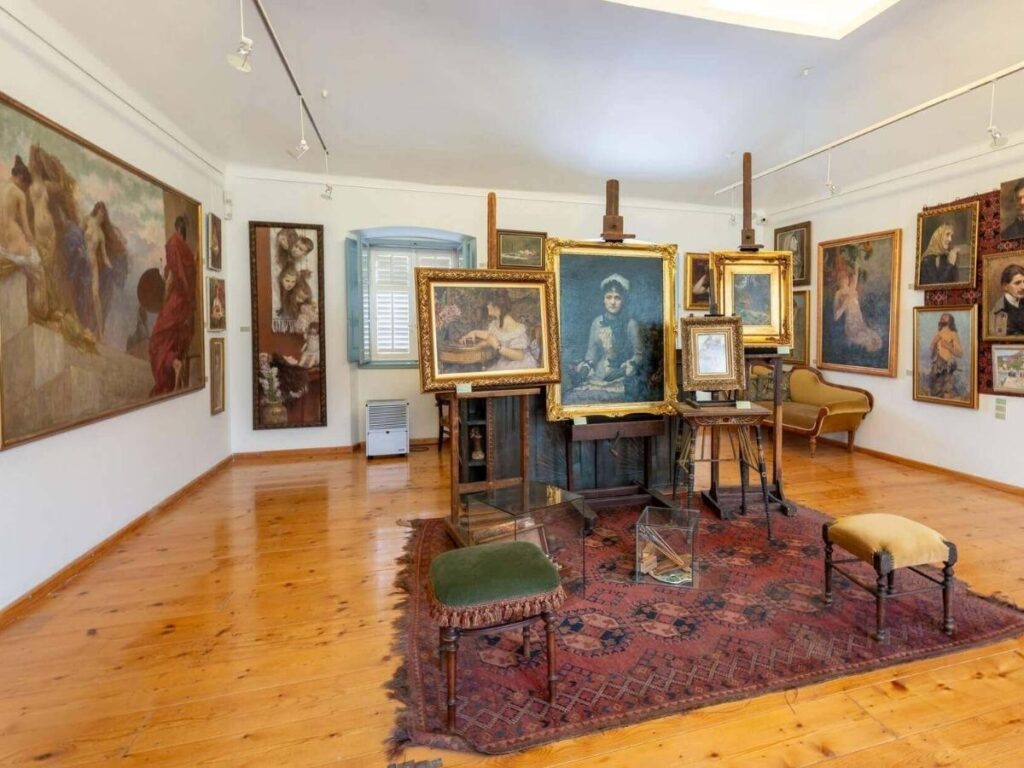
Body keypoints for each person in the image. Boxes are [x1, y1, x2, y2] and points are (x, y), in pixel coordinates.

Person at [149, 215, 197, 395]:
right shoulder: (189, 253)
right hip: (186, 306)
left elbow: (171, 280)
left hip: (175, 300)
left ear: (177, 227)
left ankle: (173, 367)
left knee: (156, 339)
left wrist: (164, 300)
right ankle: (175, 363)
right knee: (172, 340)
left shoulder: (173, 243)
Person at [573, 273, 642, 398]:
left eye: (617, 298)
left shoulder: (631, 324)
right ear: (603, 300)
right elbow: (592, 352)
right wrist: (586, 367)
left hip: (621, 379)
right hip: (597, 377)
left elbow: (639, 355)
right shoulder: (597, 322)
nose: (613, 302)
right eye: (609, 297)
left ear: (623, 300)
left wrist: (623, 370)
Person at [0, 155, 48, 320]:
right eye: (26, 185)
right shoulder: (19, 193)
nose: (26, 189)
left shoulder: (1, 187)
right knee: (39, 270)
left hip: (2, 243)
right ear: (21, 179)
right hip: (14, 241)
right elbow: (26, 228)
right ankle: (39, 313)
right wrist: (34, 244)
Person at [459, 291, 538, 370]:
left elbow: (519, 356)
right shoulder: (498, 322)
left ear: (496, 307)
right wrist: (474, 332)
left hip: (519, 365)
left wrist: (498, 346)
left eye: (489, 304)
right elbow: (490, 335)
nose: (487, 306)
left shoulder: (512, 326)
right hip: (506, 361)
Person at [833, 250, 882, 353]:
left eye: (845, 277)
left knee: (875, 339)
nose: (844, 279)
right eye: (841, 278)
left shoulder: (852, 288)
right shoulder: (838, 293)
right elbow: (836, 316)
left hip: (860, 322)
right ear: (838, 280)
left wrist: (856, 262)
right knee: (867, 341)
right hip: (851, 325)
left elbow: (856, 275)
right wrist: (845, 304)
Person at [927, 312, 963, 398]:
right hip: (937, 364)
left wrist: (948, 346)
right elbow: (931, 348)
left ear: (950, 321)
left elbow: (960, 353)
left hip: (947, 365)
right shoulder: (939, 333)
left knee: (946, 390)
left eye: (945, 318)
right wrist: (934, 344)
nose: (942, 319)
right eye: (942, 318)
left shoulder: (953, 334)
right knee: (935, 390)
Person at [990, 263, 1024, 336]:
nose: (1023, 287)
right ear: (1005, 286)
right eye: (1017, 283)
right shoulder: (998, 311)